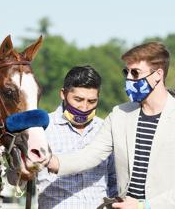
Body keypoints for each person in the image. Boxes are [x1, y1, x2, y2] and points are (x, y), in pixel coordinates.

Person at [47, 42, 175, 209]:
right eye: (126, 72)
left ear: (158, 74)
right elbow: (90, 155)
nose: (129, 78)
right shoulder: (119, 114)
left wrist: (145, 206)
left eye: (135, 73)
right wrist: (49, 161)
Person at [37, 66, 117, 208]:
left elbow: (114, 180)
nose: (84, 107)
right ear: (63, 94)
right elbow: (17, 179)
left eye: (91, 101)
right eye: (78, 99)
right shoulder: (42, 129)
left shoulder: (105, 128)